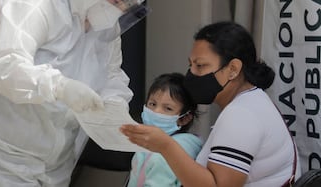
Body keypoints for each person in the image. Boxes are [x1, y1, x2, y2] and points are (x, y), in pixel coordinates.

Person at [0, 0, 149, 186]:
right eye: (115, 2)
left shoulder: (105, 27)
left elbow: (111, 74)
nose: (117, 12)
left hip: (57, 159)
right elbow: (5, 66)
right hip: (1, 151)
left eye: (126, 8)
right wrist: (59, 87)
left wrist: (115, 103)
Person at [121, 21, 301, 187]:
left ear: (233, 69)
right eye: (190, 65)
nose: (191, 74)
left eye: (200, 66)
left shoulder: (242, 115)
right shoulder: (252, 101)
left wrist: (165, 146)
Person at [127, 73, 203, 187]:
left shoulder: (167, 154)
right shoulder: (150, 144)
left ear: (184, 119)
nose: (156, 111)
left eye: (168, 108)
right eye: (152, 104)